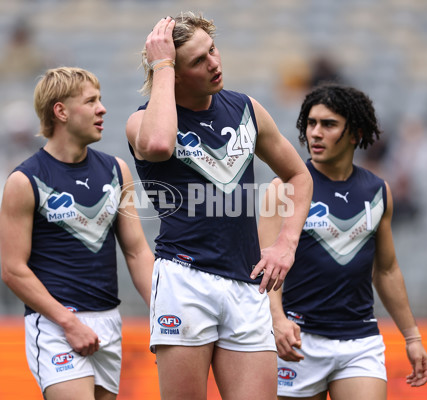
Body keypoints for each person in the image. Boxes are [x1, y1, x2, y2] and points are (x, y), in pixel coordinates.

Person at [125, 12, 313, 400]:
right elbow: (159, 145)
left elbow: (299, 177)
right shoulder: (141, 123)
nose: (214, 63)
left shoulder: (246, 109)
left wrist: (286, 244)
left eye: (212, 50)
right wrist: (162, 64)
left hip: (247, 285)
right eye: (198, 60)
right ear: (173, 73)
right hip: (184, 280)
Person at [259, 83, 427, 400]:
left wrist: (412, 336)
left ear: (355, 133)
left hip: (360, 341)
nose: (315, 133)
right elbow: (265, 270)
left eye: (328, 124)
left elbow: (387, 271)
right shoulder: (282, 190)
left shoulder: (378, 191)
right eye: (311, 123)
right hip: (297, 339)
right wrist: (277, 320)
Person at [0, 67, 154, 400]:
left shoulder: (116, 170)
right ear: (61, 111)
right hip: (57, 325)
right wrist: (68, 323)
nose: (103, 109)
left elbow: (137, 251)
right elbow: (13, 270)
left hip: (109, 322)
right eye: (91, 101)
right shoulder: (24, 180)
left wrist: (162, 308)